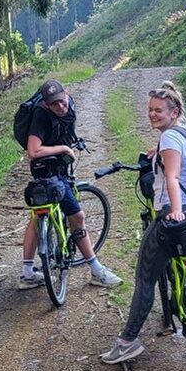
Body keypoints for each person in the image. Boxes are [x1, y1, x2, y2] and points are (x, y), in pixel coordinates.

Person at [100, 81, 186, 364]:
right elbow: (178, 162)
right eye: (150, 110)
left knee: (145, 279)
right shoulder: (185, 133)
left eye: (158, 110)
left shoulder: (169, 139)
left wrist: (175, 211)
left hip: (174, 214)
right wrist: (157, 154)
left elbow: (172, 177)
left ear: (174, 111)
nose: (152, 114)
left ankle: (128, 341)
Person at [20, 79, 122, 290]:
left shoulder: (70, 105)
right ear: (46, 104)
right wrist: (63, 149)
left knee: (37, 216)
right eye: (54, 104)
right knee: (78, 216)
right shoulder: (41, 114)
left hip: (55, 170)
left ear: (66, 94)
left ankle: (28, 273)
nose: (60, 106)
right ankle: (96, 270)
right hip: (47, 171)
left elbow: (65, 128)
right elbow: (32, 151)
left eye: (62, 101)